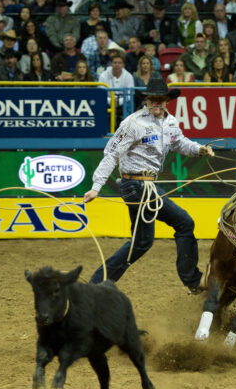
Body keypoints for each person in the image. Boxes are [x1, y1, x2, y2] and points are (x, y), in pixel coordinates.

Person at [82, 78, 215, 290]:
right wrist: (96, 186)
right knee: (184, 223)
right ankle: (192, 280)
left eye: (160, 99)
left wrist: (200, 149)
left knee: (142, 243)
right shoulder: (133, 123)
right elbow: (112, 153)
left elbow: (180, 143)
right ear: (146, 100)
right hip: (136, 186)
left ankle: (96, 283)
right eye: (152, 99)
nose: (156, 103)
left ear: (167, 101)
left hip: (144, 186)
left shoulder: (171, 123)